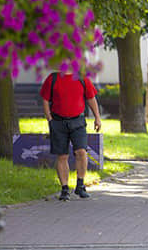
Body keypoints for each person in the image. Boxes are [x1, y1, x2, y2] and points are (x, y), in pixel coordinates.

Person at [40, 70, 102, 201]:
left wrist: (97, 117)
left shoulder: (82, 77)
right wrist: (49, 119)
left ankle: (80, 185)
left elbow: (91, 98)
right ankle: (64, 189)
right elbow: (45, 100)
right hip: (58, 122)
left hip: (77, 121)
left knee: (81, 152)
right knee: (62, 156)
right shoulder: (53, 78)